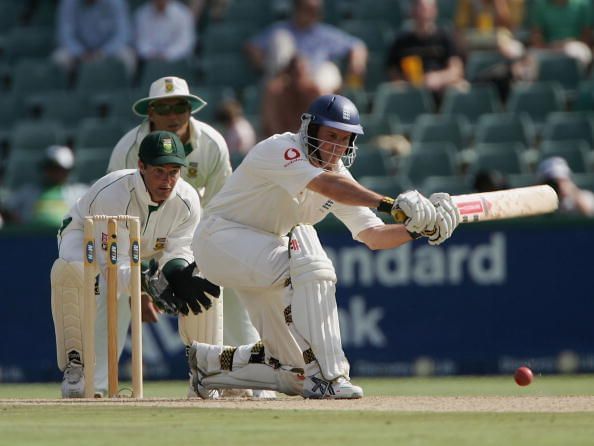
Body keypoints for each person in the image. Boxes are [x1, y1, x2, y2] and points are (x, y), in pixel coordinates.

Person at [187, 94, 461, 399]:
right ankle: (331, 376)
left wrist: (418, 230)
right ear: (310, 130)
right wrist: (392, 204)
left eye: (344, 140)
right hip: (219, 239)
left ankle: (208, 365)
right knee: (310, 256)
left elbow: (373, 235)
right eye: (330, 136)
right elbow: (327, 186)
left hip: (262, 255)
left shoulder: (340, 175)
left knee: (295, 372)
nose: (336, 147)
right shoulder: (281, 149)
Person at [107, 76, 268, 397]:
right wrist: (137, 286)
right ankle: (97, 380)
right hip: (138, 235)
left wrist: (213, 255)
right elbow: (116, 217)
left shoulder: (211, 143)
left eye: (180, 105)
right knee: (112, 292)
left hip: (195, 233)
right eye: (164, 107)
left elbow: (226, 204)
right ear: (150, 112)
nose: (173, 114)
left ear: (190, 108)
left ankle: (244, 376)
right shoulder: (128, 149)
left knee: (227, 289)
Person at [51, 130, 220, 397]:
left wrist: (177, 272)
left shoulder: (187, 201)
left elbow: (180, 249)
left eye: (174, 171)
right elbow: (113, 267)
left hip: (149, 249)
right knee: (80, 276)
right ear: (141, 166)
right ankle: (83, 371)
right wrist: (146, 285)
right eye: (159, 171)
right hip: (85, 238)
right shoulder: (113, 194)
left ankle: (206, 375)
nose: (167, 181)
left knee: (200, 281)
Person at [245, 0, 368, 93]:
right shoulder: (280, 30)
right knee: (280, 39)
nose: (313, 13)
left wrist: (357, 62)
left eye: (316, 10)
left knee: (330, 70)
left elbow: (356, 45)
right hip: (284, 81)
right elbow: (252, 46)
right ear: (297, 8)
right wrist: (262, 63)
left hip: (314, 83)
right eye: (309, 9)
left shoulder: (324, 33)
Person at [386, 0, 466, 104]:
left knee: (463, 87)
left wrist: (438, 78)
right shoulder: (401, 41)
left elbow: (456, 69)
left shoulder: (445, 38)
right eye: (422, 8)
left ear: (435, 11)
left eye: (429, 8)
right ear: (413, 11)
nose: (426, 12)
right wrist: (408, 82)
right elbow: (392, 71)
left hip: (441, 88)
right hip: (410, 90)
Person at [0, 145, 88, 227]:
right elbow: (6, 208)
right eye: (51, 168)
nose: (55, 173)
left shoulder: (78, 192)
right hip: (31, 240)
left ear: (67, 171)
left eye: (59, 169)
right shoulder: (27, 192)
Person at [52, 0, 136, 75]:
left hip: (107, 51)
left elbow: (124, 34)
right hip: (80, 51)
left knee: (127, 56)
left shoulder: (116, 2)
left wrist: (103, 52)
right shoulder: (68, 2)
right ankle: (68, 90)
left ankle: (127, 90)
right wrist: (80, 52)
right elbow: (65, 35)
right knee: (59, 58)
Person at [261, 55, 322, 137]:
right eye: (296, 74)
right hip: (280, 141)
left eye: (303, 73)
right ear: (289, 74)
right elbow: (274, 126)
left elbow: (317, 125)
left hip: (306, 141)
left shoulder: (313, 92)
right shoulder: (276, 93)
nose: (299, 78)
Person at [529, 0, 593, 68]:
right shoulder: (541, 5)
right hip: (548, 47)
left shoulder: (582, 4)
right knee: (531, 58)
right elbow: (536, 33)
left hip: (574, 45)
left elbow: (587, 33)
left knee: (579, 52)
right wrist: (551, 47)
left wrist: (568, 43)